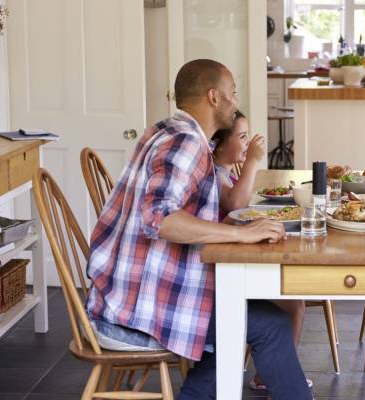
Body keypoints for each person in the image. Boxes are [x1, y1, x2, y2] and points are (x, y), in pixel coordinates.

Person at [86, 59, 313, 400]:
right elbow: (158, 219)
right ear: (213, 97)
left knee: (239, 319)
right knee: (270, 324)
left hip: (125, 294)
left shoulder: (168, 130)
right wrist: (240, 234)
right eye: (232, 94)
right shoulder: (186, 143)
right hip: (134, 309)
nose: (236, 102)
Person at [210, 111, 310, 391]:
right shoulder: (214, 172)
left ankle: (271, 374)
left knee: (294, 301)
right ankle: (273, 376)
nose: (247, 143)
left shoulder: (222, 171)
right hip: (221, 270)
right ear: (218, 144)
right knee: (292, 303)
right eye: (242, 137)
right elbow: (235, 204)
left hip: (227, 257)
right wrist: (253, 159)